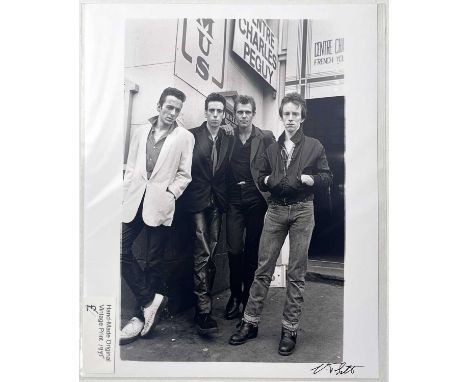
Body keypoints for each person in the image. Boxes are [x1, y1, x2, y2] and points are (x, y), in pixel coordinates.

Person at [229, 92, 332, 356]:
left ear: (302, 117)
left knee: (296, 272)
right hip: (275, 210)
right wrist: (267, 182)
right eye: (286, 114)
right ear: (281, 117)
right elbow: (262, 176)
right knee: (263, 269)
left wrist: (311, 179)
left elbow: (327, 176)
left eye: (295, 114)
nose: (290, 119)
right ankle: (249, 323)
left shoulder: (314, 146)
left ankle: (290, 330)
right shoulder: (271, 148)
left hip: (302, 210)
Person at [120, 87, 195, 345]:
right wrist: (126, 191)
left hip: (160, 204)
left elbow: (185, 174)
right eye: (168, 107)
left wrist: (170, 194)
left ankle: (139, 319)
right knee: (118, 249)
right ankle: (149, 300)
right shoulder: (141, 132)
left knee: (153, 261)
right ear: (159, 106)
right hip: (133, 201)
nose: (172, 113)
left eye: (177, 109)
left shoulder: (184, 137)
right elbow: (131, 167)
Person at [179, 93, 233, 335]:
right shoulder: (191, 135)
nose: (215, 115)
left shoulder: (227, 137)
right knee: (202, 253)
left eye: (219, 112)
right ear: (205, 112)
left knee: (211, 254)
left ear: (223, 114)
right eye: (211, 110)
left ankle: (204, 306)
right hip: (198, 202)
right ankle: (203, 311)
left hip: (217, 203)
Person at [224, 95, 275, 320]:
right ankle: (234, 296)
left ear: (253, 114)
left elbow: (278, 165)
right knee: (235, 249)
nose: (243, 116)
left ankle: (246, 298)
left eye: (247, 112)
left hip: (256, 200)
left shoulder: (265, 137)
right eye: (240, 112)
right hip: (234, 199)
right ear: (235, 115)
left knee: (252, 250)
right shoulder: (228, 136)